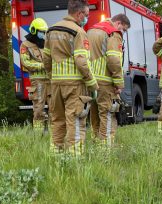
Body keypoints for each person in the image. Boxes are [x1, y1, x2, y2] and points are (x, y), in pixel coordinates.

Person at [42, 0, 98, 158]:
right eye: (86, 15)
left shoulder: (51, 30)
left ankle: (56, 155)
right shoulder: (79, 32)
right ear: (79, 14)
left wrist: (52, 76)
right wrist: (92, 83)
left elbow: (46, 59)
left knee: (57, 120)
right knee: (76, 121)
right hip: (75, 85)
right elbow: (82, 61)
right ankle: (75, 159)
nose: (86, 18)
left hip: (56, 84)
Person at [88, 14, 130, 145]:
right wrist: (118, 82)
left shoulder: (91, 30)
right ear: (118, 23)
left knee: (93, 113)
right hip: (105, 81)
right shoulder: (113, 33)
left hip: (90, 80)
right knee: (107, 113)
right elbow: (113, 59)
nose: (123, 32)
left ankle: (95, 141)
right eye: (124, 29)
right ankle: (105, 147)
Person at [20, 18, 50, 132]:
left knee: (55, 108)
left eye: (44, 32)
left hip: (50, 80)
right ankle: (38, 134)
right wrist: (43, 66)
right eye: (41, 31)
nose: (43, 34)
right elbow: (25, 62)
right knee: (38, 108)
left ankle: (54, 134)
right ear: (33, 30)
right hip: (37, 81)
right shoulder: (25, 45)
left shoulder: (46, 43)